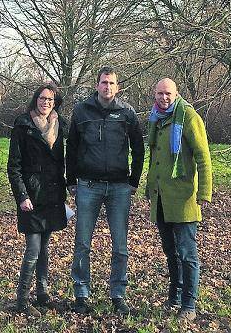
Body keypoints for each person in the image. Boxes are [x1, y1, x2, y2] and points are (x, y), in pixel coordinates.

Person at [66, 66, 145, 315]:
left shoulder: (127, 113)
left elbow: (139, 148)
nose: (107, 87)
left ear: (117, 87)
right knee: (82, 243)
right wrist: (71, 181)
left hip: (120, 187)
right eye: (103, 82)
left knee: (120, 245)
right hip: (88, 185)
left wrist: (134, 180)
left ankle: (118, 293)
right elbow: (71, 147)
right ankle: (81, 293)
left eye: (111, 83)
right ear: (96, 85)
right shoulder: (81, 111)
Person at [144, 78, 212, 321]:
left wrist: (204, 193)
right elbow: (154, 157)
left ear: (176, 94)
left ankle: (189, 305)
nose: (164, 97)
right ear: (155, 94)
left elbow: (203, 157)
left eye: (168, 93)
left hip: (183, 199)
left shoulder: (189, 118)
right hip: (161, 198)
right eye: (160, 93)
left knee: (187, 254)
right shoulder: (156, 119)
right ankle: (174, 297)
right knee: (170, 252)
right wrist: (149, 187)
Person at [7, 84, 68, 316]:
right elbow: (14, 166)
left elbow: (62, 160)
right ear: (35, 100)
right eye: (42, 98)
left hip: (52, 196)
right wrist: (21, 196)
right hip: (31, 197)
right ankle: (22, 300)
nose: (46, 103)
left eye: (50, 100)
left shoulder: (58, 125)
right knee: (32, 249)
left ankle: (42, 295)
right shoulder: (23, 125)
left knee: (45, 249)